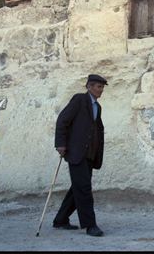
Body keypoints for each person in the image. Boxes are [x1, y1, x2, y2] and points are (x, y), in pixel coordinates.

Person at [52, 74, 108, 237]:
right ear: (89, 87)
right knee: (83, 188)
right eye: (98, 86)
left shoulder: (98, 107)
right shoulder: (79, 100)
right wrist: (61, 144)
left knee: (78, 187)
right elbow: (62, 121)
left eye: (102, 87)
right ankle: (90, 225)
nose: (101, 90)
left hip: (90, 154)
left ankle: (60, 219)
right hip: (77, 153)